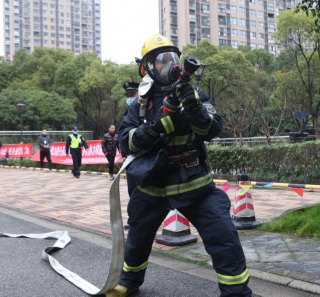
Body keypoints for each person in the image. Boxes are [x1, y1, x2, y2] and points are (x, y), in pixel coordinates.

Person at [107, 35, 252, 297]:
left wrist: (194, 108)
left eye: (172, 58)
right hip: (152, 187)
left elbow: (212, 129)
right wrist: (155, 128)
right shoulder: (140, 104)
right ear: (148, 67)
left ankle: (237, 293)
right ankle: (129, 281)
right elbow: (126, 143)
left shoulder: (194, 94)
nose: (169, 64)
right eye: (161, 60)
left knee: (224, 236)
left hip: (194, 185)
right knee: (137, 239)